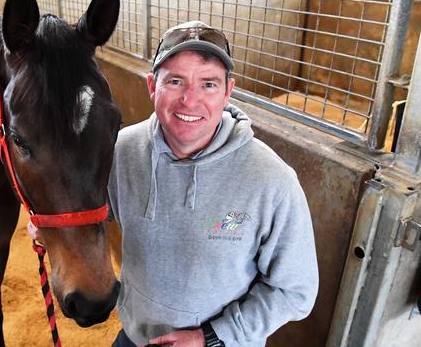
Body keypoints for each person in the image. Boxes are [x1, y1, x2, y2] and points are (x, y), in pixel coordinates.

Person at [32, 20, 319, 347]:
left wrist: (210, 337)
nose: (190, 101)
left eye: (208, 84)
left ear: (228, 91)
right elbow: (98, 208)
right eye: (176, 81)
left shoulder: (272, 182)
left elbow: (296, 292)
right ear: (153, 86)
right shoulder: (120, 150)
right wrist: (57, 223)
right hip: (135, 337)